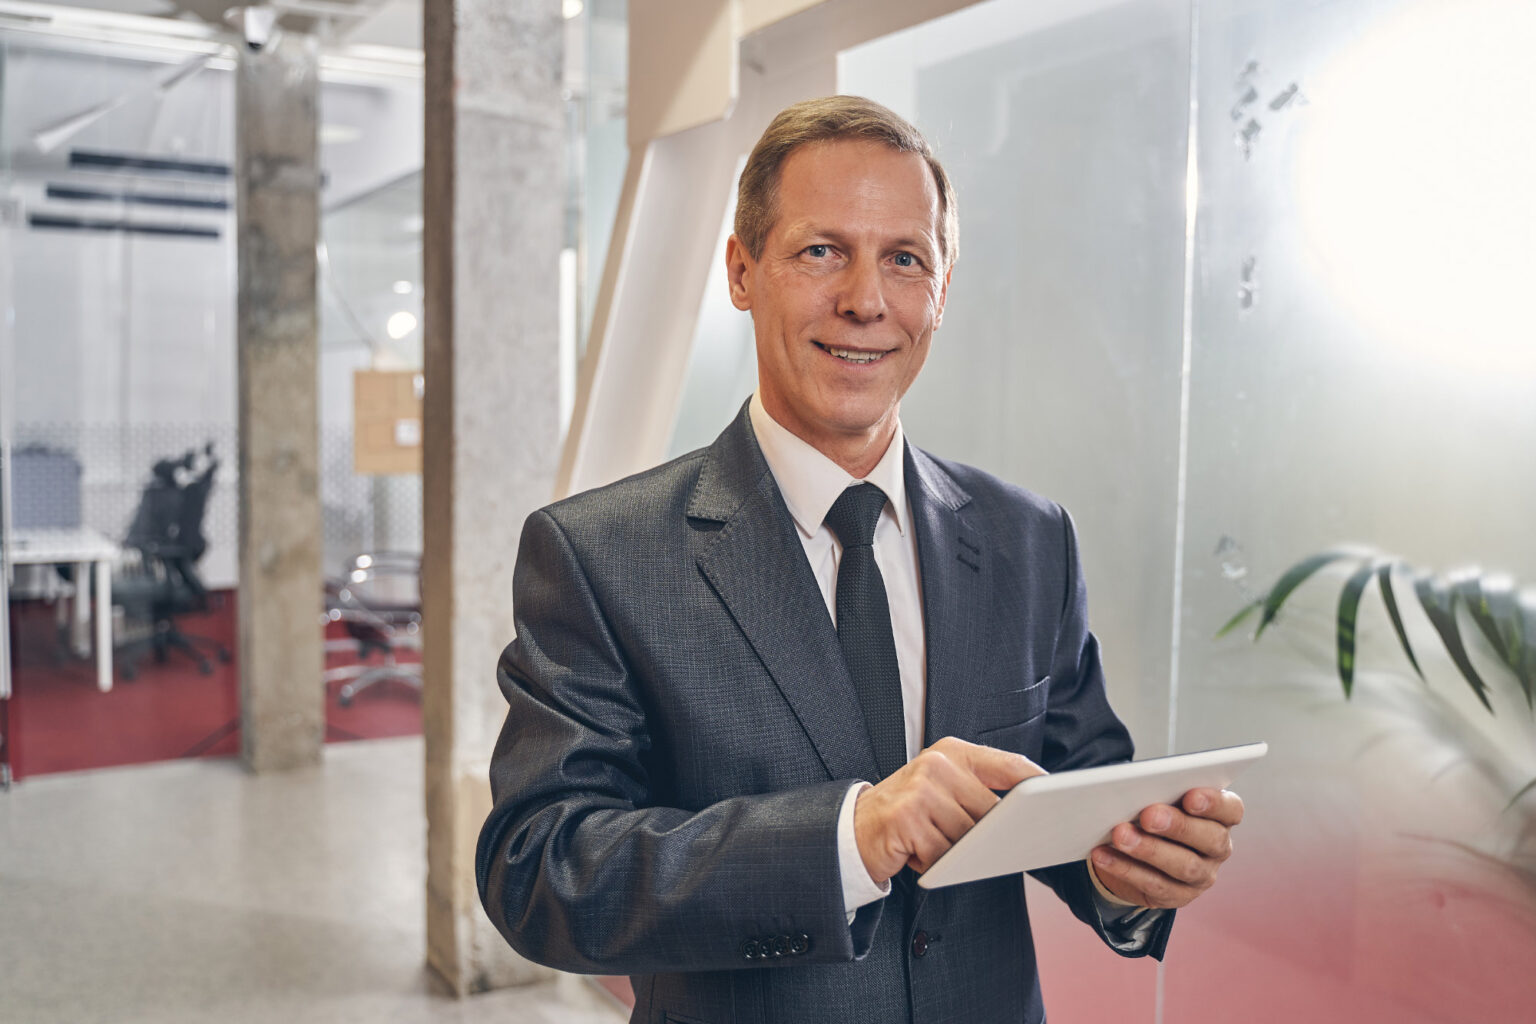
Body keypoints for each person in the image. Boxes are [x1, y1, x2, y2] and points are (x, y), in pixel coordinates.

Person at [477, 96, 1243, 1024]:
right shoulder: (602, 553)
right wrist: (849, 839)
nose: (866, 301)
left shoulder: (1029, 538)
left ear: (942, 290)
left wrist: (1132, 874)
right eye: (821, 251)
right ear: (741, 270)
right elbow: (542, 869)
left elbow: (1074, 801)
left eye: (905, 259)